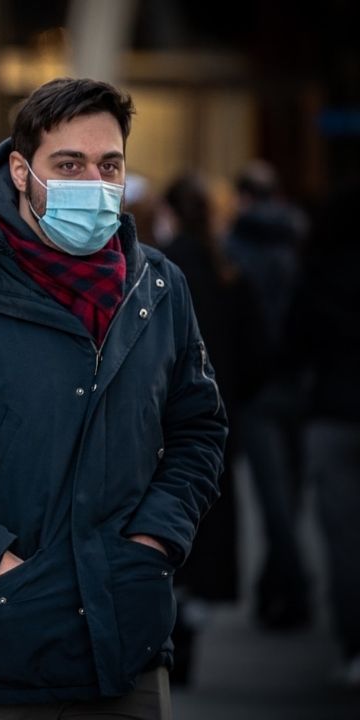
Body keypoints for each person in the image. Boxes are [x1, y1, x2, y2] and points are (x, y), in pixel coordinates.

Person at [0, 78, 227, 718]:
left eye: (109, 165)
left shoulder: (159, 288)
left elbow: (199, 429)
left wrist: (154, 541)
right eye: (68, 165)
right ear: (21, 171)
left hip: (123, 639)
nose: (93, 182)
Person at [156, 174, 262, 685]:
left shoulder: (161, 267)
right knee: (207, 526)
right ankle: (189, 627)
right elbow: (258, 346)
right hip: (222, 416)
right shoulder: (224, 265)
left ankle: (177, 631)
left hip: (170, 417)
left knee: (176, 531)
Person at [225, 161, 312, 630]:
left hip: (257, 392)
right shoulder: (301, 246)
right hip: (301, 387)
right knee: (289, 500)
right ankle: (275, 590)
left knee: (273, 500)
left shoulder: (235, 250)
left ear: (244, 197)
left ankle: (293, 590)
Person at [284, 183, 360, 687]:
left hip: (332, 416)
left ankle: (354, 646)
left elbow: (294, 345)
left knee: (342, 540)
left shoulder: (317, 273)